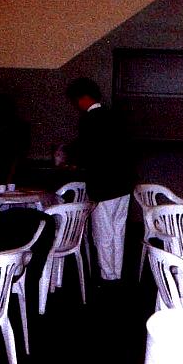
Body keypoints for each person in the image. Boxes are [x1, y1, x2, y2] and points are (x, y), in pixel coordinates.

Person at [66, 77, 137, 283]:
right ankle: (117, 272)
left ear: (83, 98)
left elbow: (86, 154)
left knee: (103, 233)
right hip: (124, 183)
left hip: (104, 185)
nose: (77, 105)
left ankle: (108, 275)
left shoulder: (88, 120)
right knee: (118, 230)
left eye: (76, 100)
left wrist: (72, 161)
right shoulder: (115, 115)